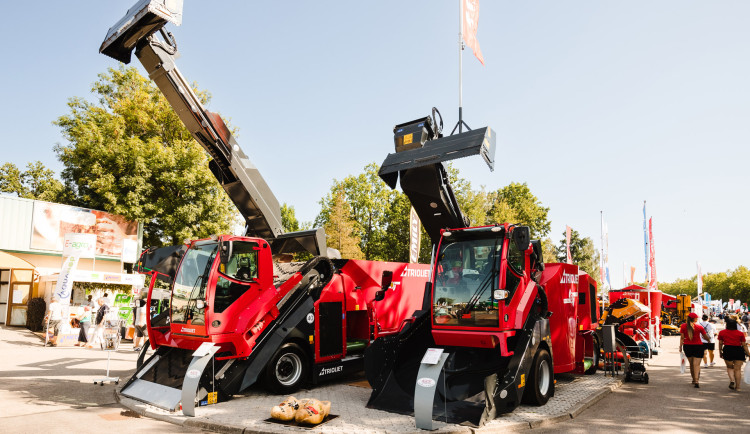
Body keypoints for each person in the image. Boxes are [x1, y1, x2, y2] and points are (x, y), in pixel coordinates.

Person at [679, 312, 710, 387]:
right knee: (696, 365)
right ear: (695, 319)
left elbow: (682, 338)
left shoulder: (683, 326)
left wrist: (680, 346)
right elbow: (705, 336)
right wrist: (709, 340)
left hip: (687, 346)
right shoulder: (699, 327)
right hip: (698, 346)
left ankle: (693, 379)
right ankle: (696, 380)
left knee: (691, 364)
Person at [718, 318, 750, 391]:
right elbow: (744, 345)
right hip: (738, 350)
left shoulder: (722, 332)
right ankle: (738, 387)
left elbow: (720, 343)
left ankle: (732, 380)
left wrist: (720, 352)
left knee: (730, 367)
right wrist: (749, 354)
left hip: (727, 350)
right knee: (737, 370)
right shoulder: (740, 333)